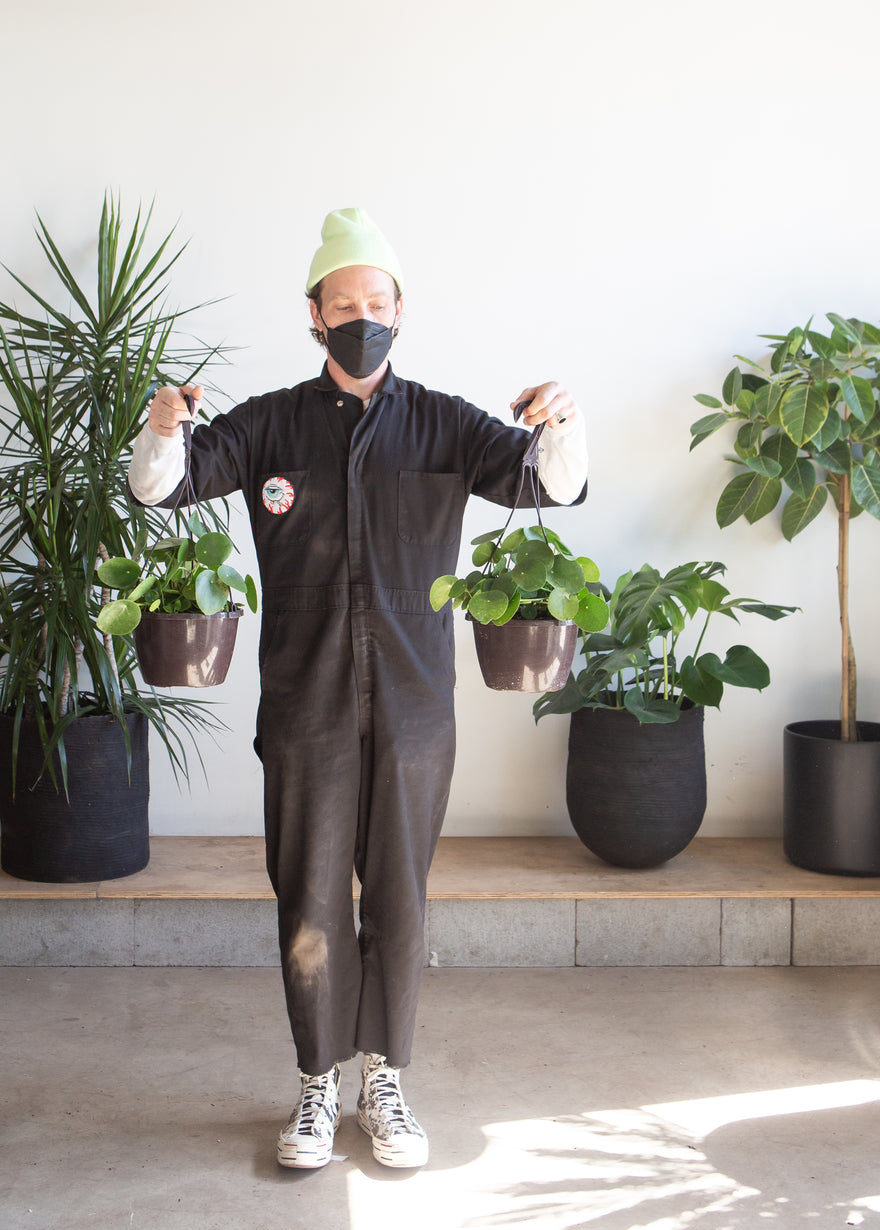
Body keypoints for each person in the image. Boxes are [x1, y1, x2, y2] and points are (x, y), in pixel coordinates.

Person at [128, 208, 588, 1171]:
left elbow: (546, 485)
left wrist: (563, 424)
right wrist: (162, 428)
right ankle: (315, 1083)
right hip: (306, 702)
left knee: (400, 895)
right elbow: (163, 491)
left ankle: (385, 1077)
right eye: (345, 304)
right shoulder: (269, 426)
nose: (362, 317)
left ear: (401, 309)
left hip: (417, 707)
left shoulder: (446, 424)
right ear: (313, 314)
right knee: (307, 895)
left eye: (376, 303)